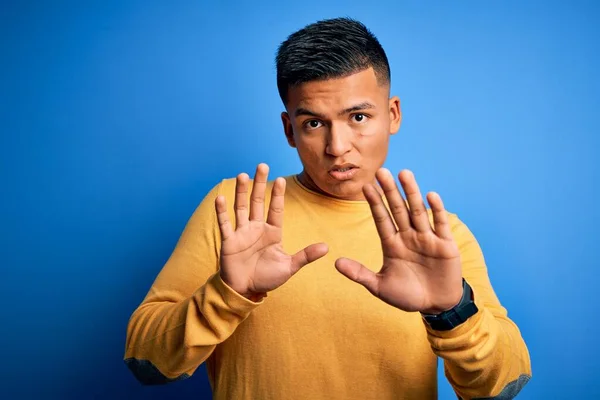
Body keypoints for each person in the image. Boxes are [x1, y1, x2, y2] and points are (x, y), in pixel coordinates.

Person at [124, 17, 532, 399]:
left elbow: (503, 385)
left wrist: (451, 309)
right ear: (289, 130)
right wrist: (227, 294)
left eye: (358, 116)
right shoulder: (238, 210)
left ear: (392, 115)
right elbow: (146, 363)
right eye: (314, 124)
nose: (338, 147)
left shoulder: (438, 238)